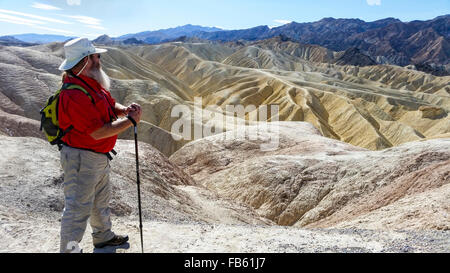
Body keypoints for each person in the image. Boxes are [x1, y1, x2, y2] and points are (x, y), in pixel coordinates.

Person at [57, 37, 142, 253]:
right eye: (96, 56)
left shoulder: (89, 84)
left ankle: (103, 237)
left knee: (99, 202)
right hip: (82, 158)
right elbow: (97, 132)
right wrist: (130, 121)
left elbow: (108, 104)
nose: (99, 60)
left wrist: (123, 110)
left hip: (96, 156)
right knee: (77, 209)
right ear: (87, 61)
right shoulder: (74, 94)